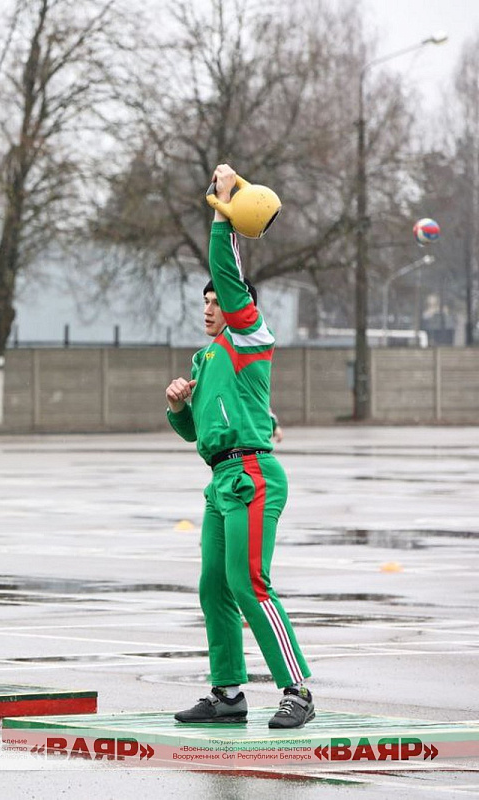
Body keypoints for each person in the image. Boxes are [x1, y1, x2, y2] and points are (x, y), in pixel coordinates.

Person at [163, 164, 314, 729]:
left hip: (254, 476)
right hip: (221, 480)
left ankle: (297, 690)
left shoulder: (251, 338)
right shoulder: (205, 360)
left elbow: (228, 276)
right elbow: (198, 437)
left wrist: (223, 214)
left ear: (237, 305)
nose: (209, 306)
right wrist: (178, 408)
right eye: (203, 301)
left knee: (250, 583)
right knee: (214, 587)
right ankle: (227, 694)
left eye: (216, 300)